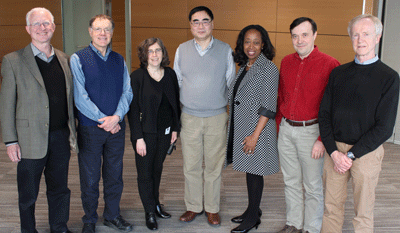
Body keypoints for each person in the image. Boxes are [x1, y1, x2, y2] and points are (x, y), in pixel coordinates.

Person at [319, 14, 399, 233]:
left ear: (377, 38)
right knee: (331, 208)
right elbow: (324, 115)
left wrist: (351, 155)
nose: (360, 39)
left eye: (366, 34)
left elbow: (385, 128)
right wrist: (334, 152)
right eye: (355, 34)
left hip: (366, 153)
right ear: (350, 38)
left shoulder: (389, 77)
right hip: (334, 151)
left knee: (363, 212)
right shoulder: (338, 74)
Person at [0, 7, 77, 233]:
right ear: (28, 29)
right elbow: (6, 105)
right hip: (28, 139)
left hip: (61, 137)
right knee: (28, 193)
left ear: (53, 27)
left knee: (60, 189)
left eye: (46, 24)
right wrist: (10, 141)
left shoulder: (65, 59)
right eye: (36, 24)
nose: (42, 28)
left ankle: (59, 227)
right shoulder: (13, 61)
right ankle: (28, 230)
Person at [276, 17, 340, 233]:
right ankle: (294, 223)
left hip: (312, 133)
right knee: (290, 181)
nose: (299, 40)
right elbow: (281, 97)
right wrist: (279, 128)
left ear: (315, 35)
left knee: (312, 186)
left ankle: (311, 229)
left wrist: (322, 139)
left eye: (304, 34)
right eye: (295, 35)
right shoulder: (286, 62)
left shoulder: (330, 64)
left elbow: (334, 107)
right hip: (286, 130)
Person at [70, 14, 133, 233]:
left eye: (107, 29)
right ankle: (89, 219)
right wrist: (104, 120)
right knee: (90, 178)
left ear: (112, 32)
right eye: (98, 29)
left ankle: (112, 216)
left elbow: (127, 92)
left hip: (116, 128)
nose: (102, 33)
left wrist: (116, 117)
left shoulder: (119, 59)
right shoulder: (78, 58)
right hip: (90, 128)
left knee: (115, 175)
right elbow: (80, 97)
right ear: (90, 31)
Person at [174, 6, 235, 226]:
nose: (200, 26)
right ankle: (193, 206)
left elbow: (231, 83)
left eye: (205, 21)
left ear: (212, 24)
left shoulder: (225, 50)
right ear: (190, 25)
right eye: (195, 21)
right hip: (189, 117)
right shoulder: (181, 49)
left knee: (213, 166)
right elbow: (178, 82)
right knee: (190, 165)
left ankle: (212, 208)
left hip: (217, 117)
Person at [227, 25, 279, 233]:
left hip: (258, 129)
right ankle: (252, 210)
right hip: (244, 126)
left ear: (263, 45)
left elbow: (268, 107)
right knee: (250, 172)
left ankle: (252, 219)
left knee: (255, 173)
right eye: (247, 41)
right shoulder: (245, 65)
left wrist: (254, 137)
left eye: (256, 42)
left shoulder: (268, 68)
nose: (251, 46)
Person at [128, 37, 181, 230]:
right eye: (150, 51)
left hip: (165, 132)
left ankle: (156, 203)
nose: (154, 54)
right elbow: (132, 110)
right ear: (144, 55)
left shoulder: (170, 74)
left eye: (158, 50)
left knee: (157, 170)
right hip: (145, 134)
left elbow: (176, 103)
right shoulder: (137, 77)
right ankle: (149, 211)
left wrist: (175, 129)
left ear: (163, 53)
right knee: (145, 174)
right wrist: (138, 138)